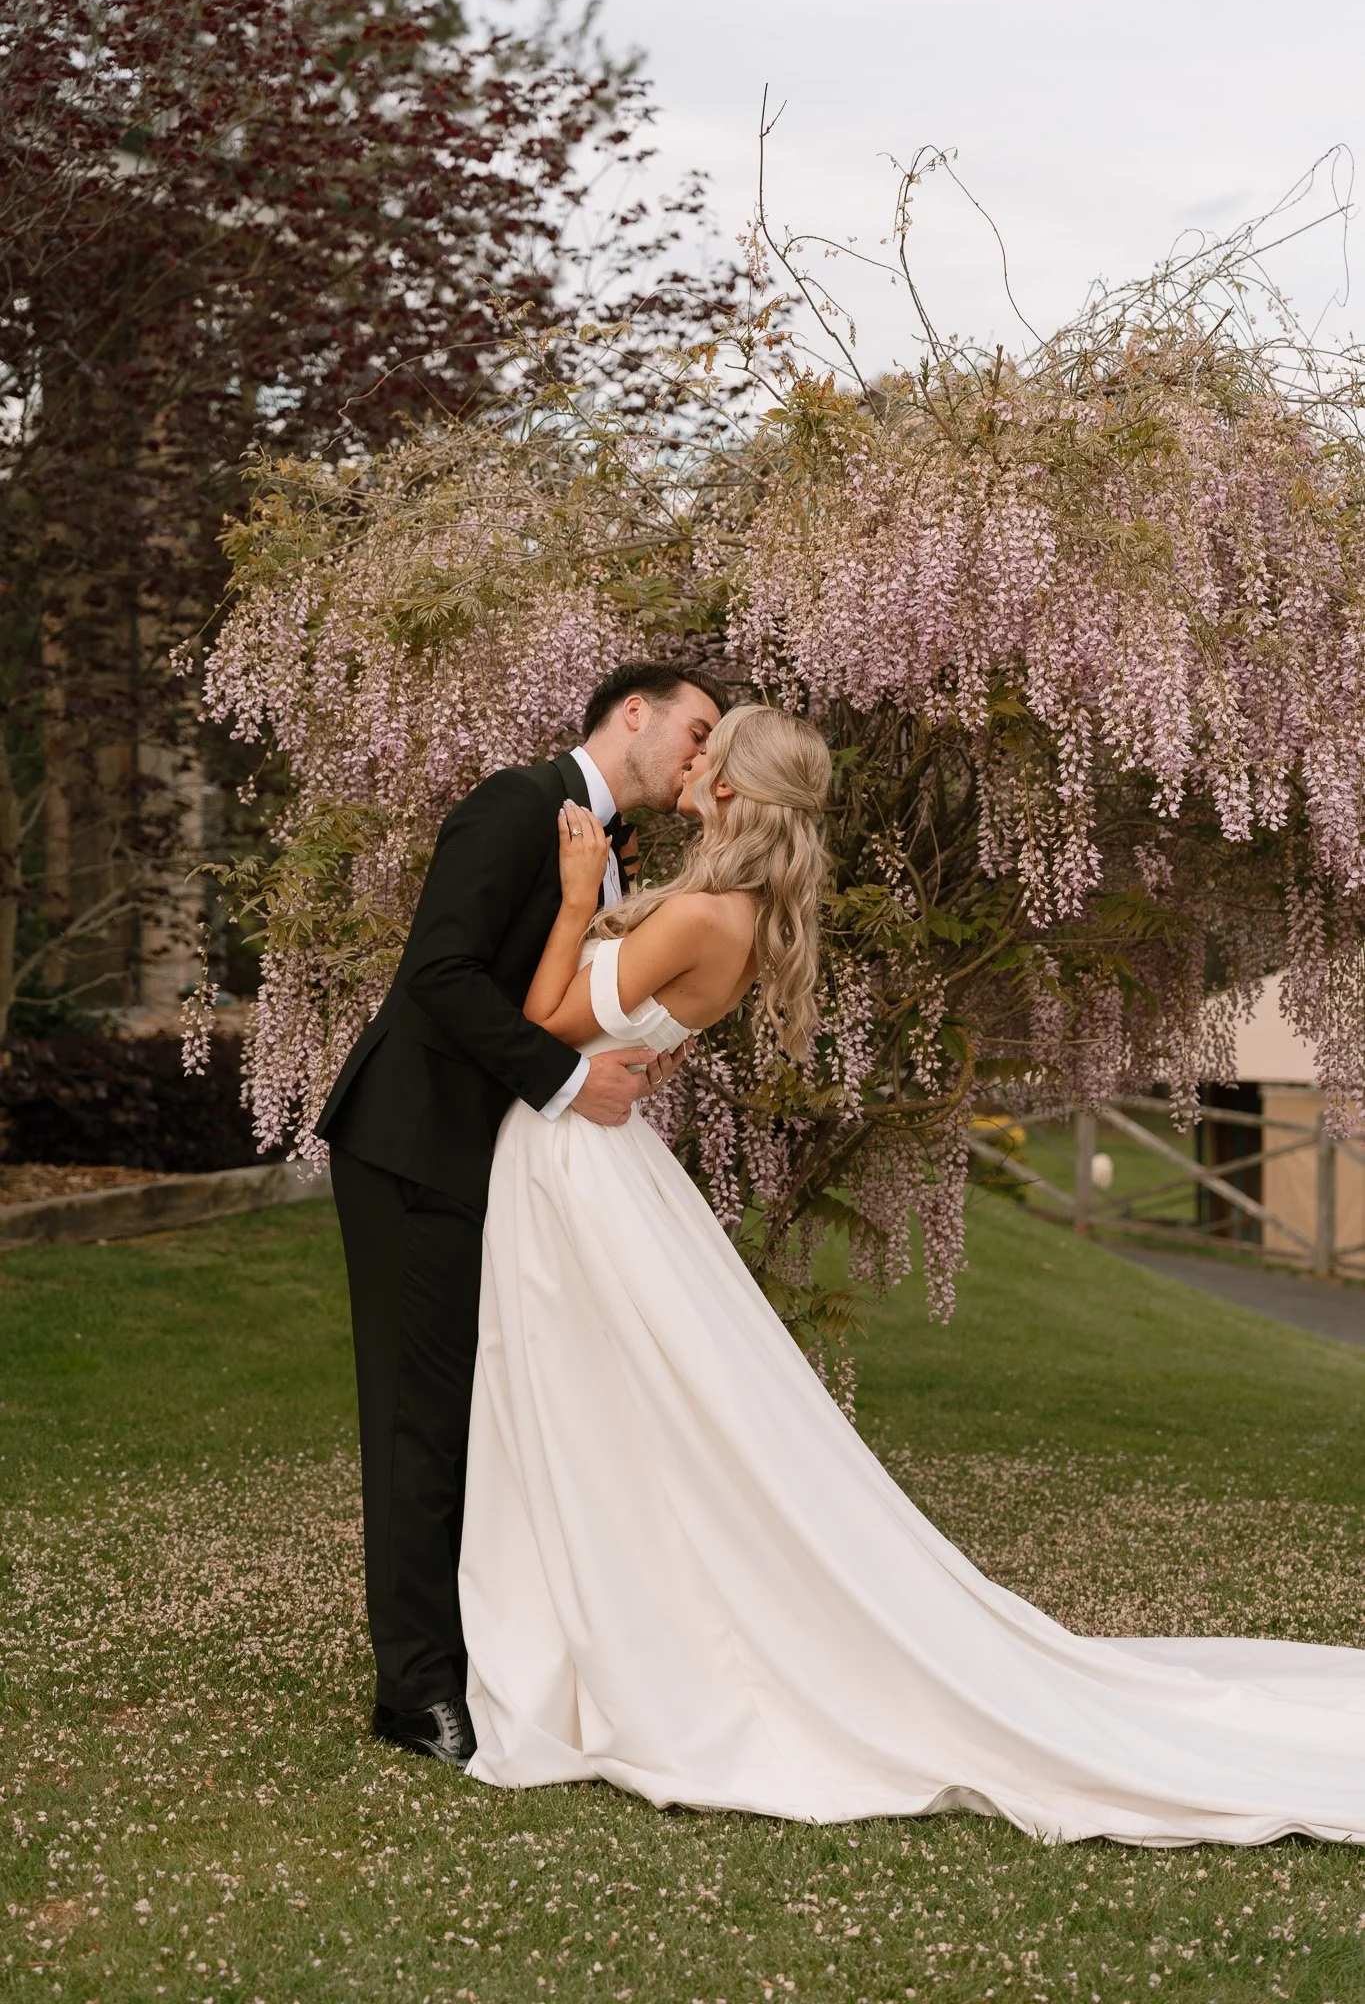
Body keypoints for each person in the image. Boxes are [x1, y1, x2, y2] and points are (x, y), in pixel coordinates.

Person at [461, 701, 1365, 1843]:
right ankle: (590, 1623)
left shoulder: (700, 911)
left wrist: (582, 895)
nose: (690, 760)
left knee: (593, 1405)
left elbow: (541, 1015)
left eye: (709, 750)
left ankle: (612, 1646)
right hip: (591, 1159)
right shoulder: (730, 910)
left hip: (576, 1166)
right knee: (603, 1409)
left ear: (733, 790)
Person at [317, 662, 726, 1764]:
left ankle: (467, 1649)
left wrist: (624, 1046)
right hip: (413, 1140)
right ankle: (414, 1690)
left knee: (467, 1407)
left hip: (488, 1153)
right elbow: (440, 975)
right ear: (631, 713)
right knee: (416, 1411)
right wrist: (562, 1078)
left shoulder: (609, 849)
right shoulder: (514, 804)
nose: (700, 755)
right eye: (693, 732)